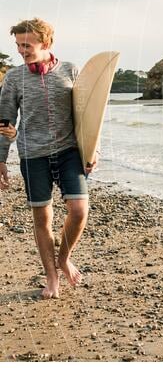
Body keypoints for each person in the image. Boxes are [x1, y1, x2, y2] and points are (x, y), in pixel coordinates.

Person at [0, 18, 96, 299]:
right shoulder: (14, 78)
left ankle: (63, 257)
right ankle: (51, 277)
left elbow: (90, 116)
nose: (21, 50)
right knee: (42, 217)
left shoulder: (70, 71)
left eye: (27, 45)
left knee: (79, 210)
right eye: (18, 45)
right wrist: (1, 159)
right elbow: (4, 121)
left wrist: (93, 149)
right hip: (33, 155)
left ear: (46, 43)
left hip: (68, 152)